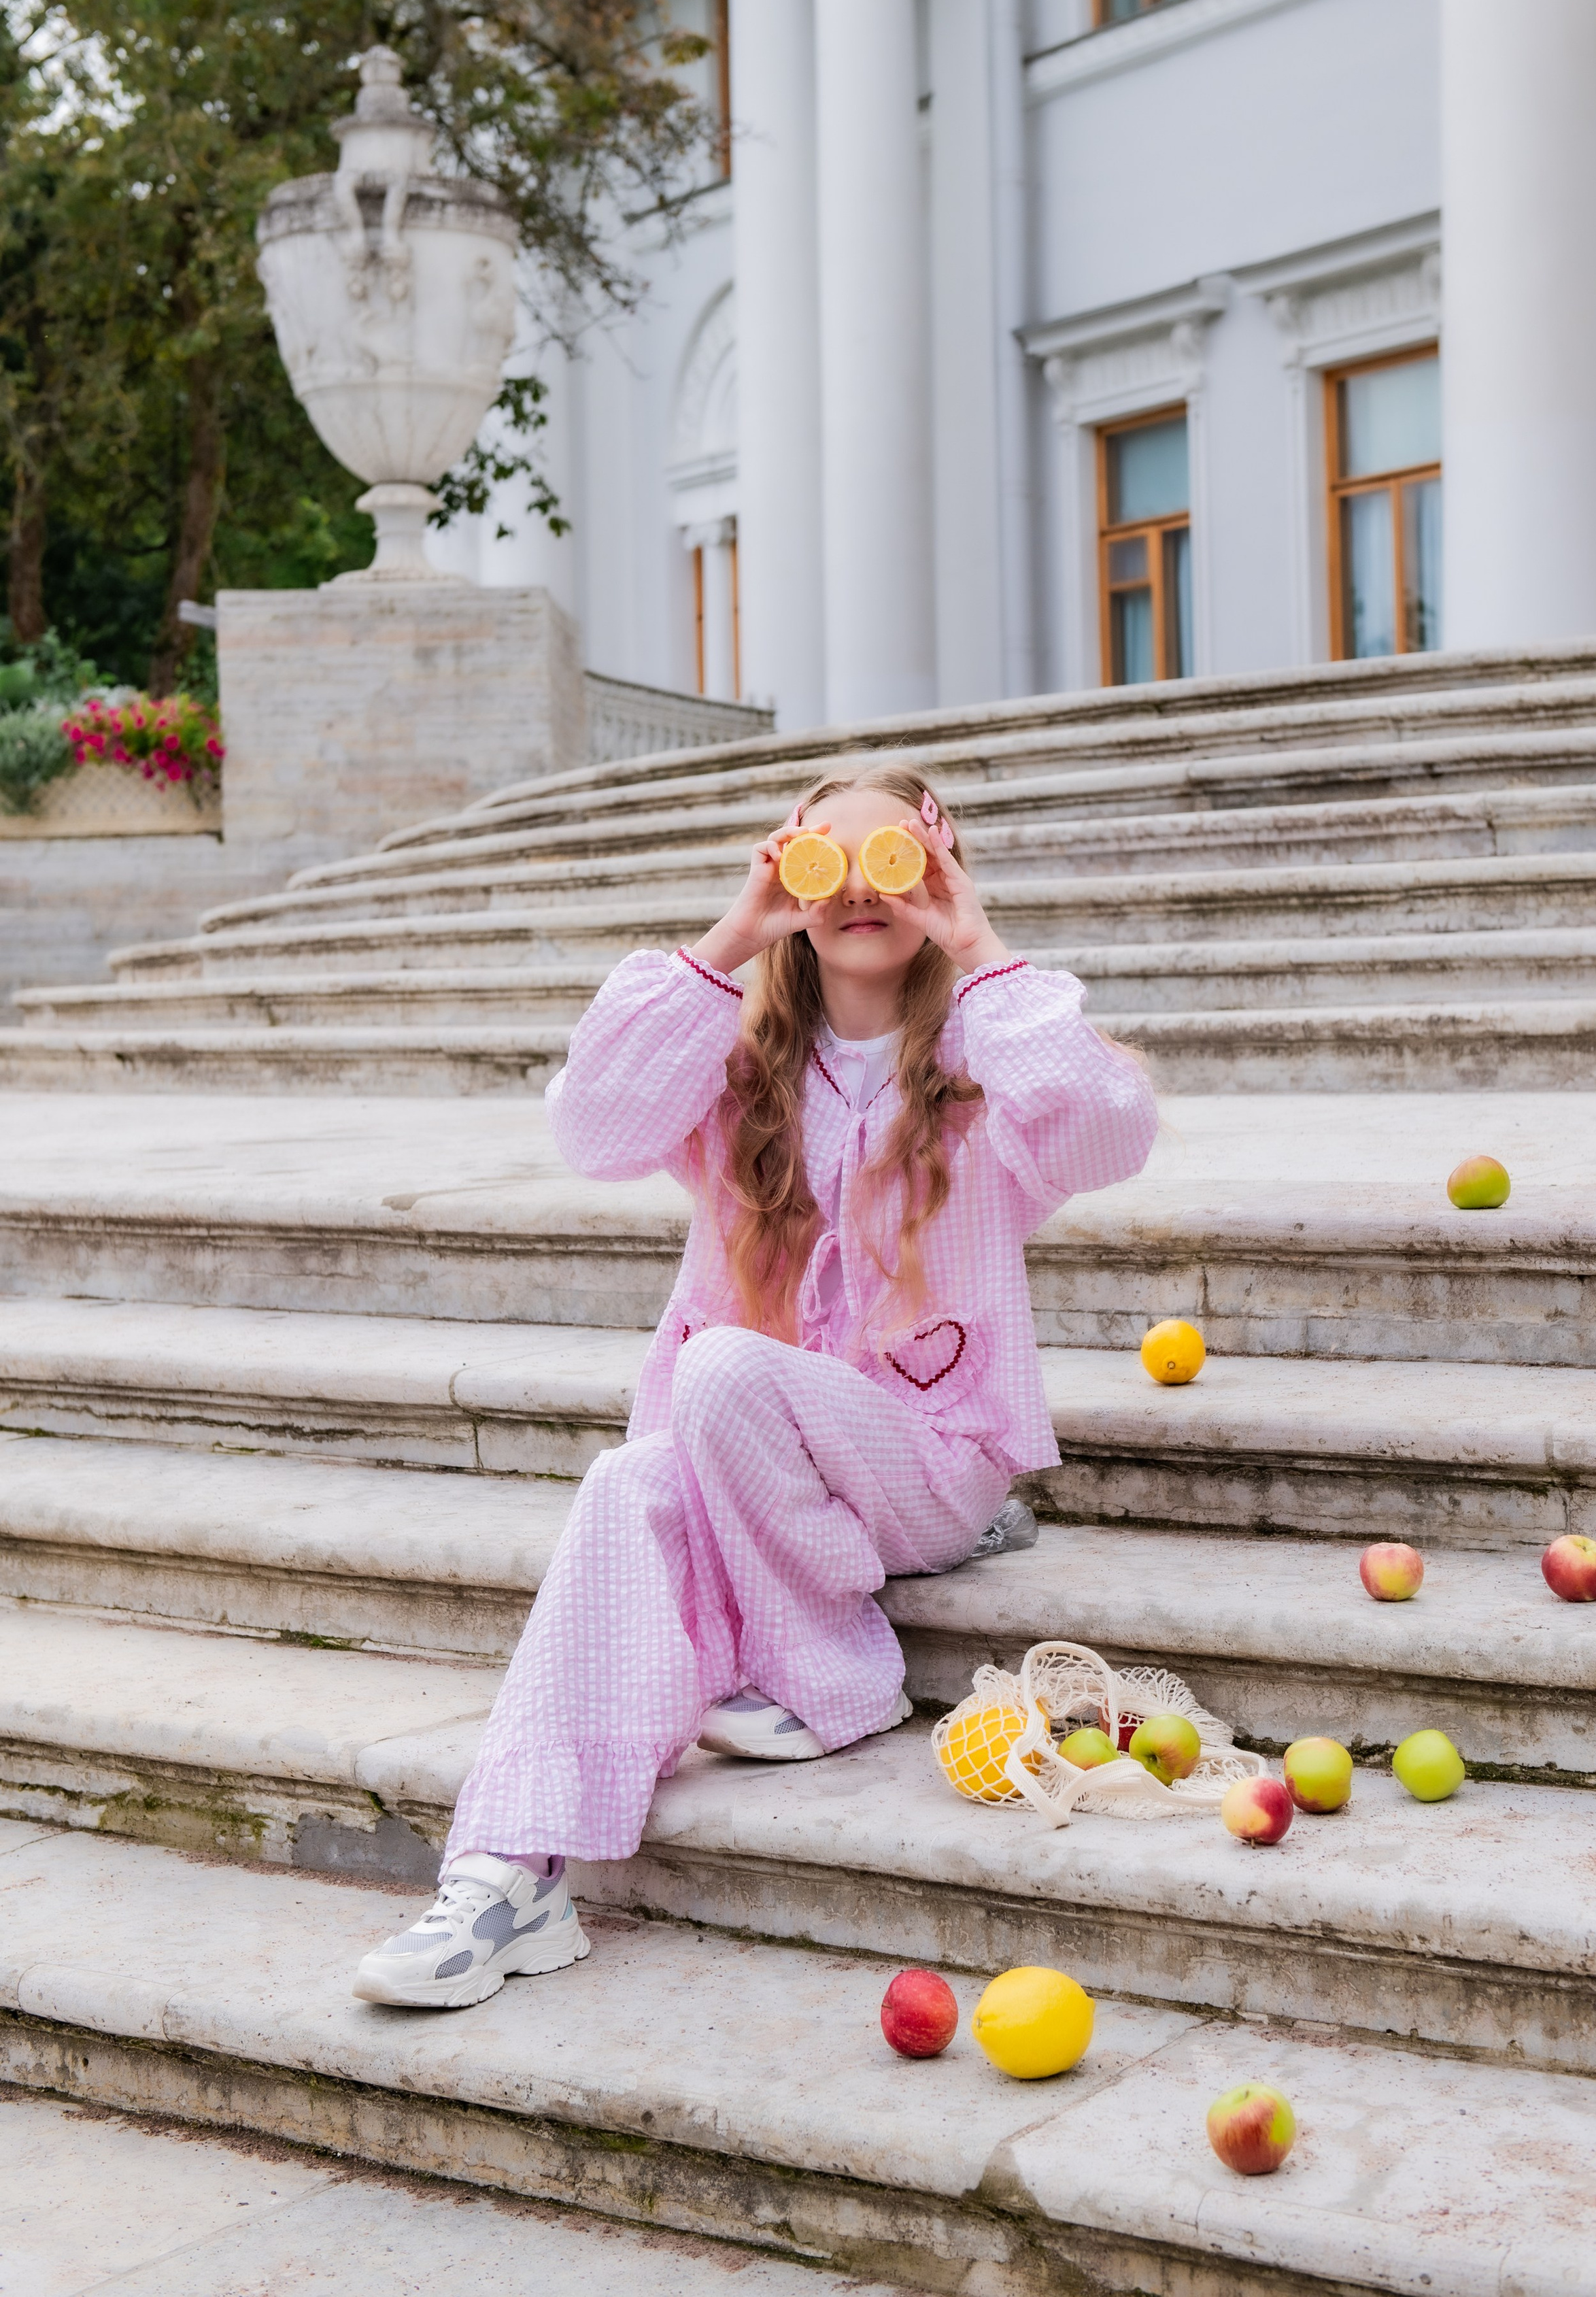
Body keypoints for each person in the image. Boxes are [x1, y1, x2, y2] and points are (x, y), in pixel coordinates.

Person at [353, 758, 1159, 2009]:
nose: (855, 886)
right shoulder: (738, 1064)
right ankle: (506, 1874)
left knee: (719, 1369)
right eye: (819, 859)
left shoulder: (984, 1056)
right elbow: (592, 1131)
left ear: (939, 868)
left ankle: (830, 1673)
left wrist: (979, 936)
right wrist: (733, 934)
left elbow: (1107, 1133)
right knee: (630, 1483)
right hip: (745, 1458)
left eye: (894, 859)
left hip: (928, 1459)